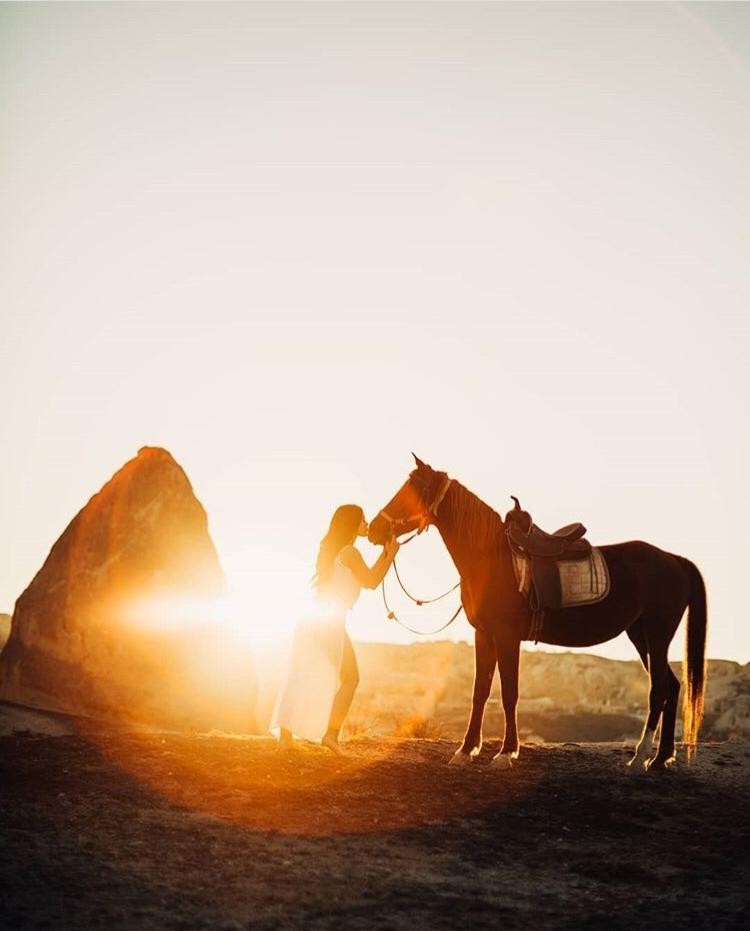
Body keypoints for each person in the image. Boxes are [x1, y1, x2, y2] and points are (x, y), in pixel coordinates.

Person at [274, 504, 399, 755]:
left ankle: (286, 737)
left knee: (302, 675)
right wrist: (391, 554)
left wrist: (385, 555)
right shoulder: (350, 552)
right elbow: (372, 581)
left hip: (315, 618)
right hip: (329, 622)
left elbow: (366, 577)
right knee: (351, 679)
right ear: (352, 524)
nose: (366, 524)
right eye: (362, 520)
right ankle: (330, 736)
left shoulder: (333, 551)